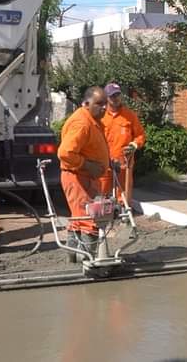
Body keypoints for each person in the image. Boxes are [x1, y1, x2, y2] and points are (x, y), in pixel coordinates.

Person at [57, 86, 110, 261]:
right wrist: (86, 165)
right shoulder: (82, 123)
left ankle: (74, 257)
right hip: (78, 177)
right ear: (86, 103)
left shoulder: (91, 120)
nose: (104, 108)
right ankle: (88, 260)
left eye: (105, 104)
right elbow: (65, 153)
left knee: (79, 218)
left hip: (85, 176)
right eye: (99, 104)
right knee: (90, 218)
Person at [101, 82, 145, 205]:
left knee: (123, 196)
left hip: (124, 162)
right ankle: (103, 218)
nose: (115, 99)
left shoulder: (129, 116)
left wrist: (134, 145)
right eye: (112, 96)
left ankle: (124, 215)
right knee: (101, 194)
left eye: (117, 95)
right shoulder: (100, 115)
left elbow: (140, 135)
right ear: (106, 98)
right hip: (104, 162)